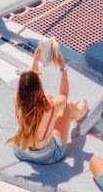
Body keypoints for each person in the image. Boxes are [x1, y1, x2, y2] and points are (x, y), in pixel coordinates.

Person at [7, 36, 87, 165]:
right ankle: (78, 112)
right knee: (67, 106)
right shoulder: (50, 107)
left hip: (21, 150)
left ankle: (66, 115)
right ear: (38, 89)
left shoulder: (17, 99)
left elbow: (32, 91)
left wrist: (35, 60)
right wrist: (63, 69)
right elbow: (64, 95)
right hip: (46, 156)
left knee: (49, 99)